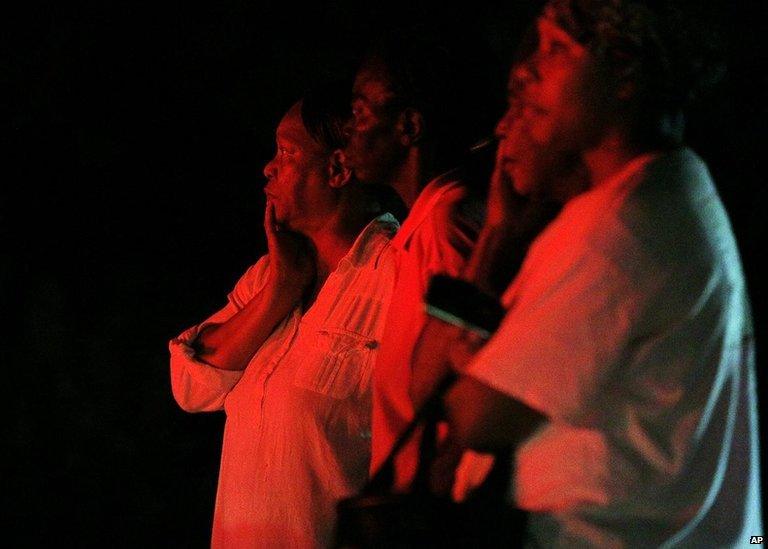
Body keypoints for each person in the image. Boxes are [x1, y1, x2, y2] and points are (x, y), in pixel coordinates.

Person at [419, 1, 761, 545]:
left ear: (624, 71)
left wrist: (470, 366)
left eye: (558, 49)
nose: (530, 69)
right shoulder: (675, 189)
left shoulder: (616, 228)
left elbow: (477, 416)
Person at [169, 83, 399, 548]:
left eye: (286, 153)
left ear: (336, 169)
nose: (268, 167)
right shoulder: (269, 275)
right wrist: (280, 290)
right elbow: (190, 386)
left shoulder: (395, 272)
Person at [340, 33, 488, 491]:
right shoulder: (421, 227)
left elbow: (468, 376)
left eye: (361, 113)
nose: (349, 128)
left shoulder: (445, 224)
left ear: (409, 127)